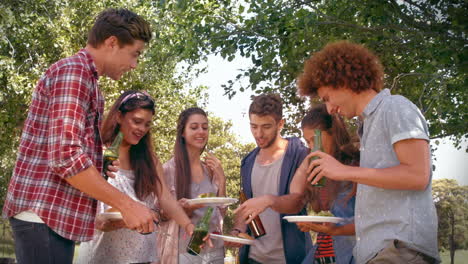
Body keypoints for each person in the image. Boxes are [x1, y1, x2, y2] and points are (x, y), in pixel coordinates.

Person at [3, 8, 157, 263]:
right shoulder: (74, 74)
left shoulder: (90, 83)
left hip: (51, 219)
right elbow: (65, 156)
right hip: (42, 217)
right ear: (112, 43)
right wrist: (127, 205)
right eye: (134, 54)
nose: (134, 64)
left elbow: (68, 151)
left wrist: (98, 165)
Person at [297, 41, 440, 263]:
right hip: (379, 252)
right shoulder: (367, 127)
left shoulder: (395, 107)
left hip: (399, 250)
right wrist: (337, 230)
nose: (329, 108)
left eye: (327, 98)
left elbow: (418, 176)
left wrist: (343, 171)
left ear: (343, 81)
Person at [76, 91, 194, 263]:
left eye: (147, 125)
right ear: (119, 116)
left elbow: (166, 198)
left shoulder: (150, 161)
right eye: (137, 121)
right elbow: (97, 220)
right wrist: (134, 215)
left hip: (143, 257)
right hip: (102, 257)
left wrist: (188, 225)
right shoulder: (97, 154)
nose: (142, 129)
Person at [230, 94, 312, 264]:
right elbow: (246, 204)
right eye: (253, 126)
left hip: (290, 258)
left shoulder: (299, 154)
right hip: (252, 258)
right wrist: (237, 230)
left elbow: (298, 202)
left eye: (266, 127)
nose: (258, 134)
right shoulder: (247, 161)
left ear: (280, 124)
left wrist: (269, 200)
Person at [287, 104, 359, 264]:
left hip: (352, 252)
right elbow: (295, 192)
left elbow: (366, 221)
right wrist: (308, 160)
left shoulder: (354, 166)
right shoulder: (321, 171)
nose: (312, 146)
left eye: (315, 139)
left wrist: (336, 229)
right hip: (326, 251)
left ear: (333, 133)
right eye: (308, 142)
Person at [157, 107, 226, 264]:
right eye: (194, 127)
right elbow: (158, 214)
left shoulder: (210, 170)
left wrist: (222, 180)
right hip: (184, 251)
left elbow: (220, 213)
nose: (201, 131)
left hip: (214, 250)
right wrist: (179, 210)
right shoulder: (168, 170)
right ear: (183, 132)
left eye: (205, 127)